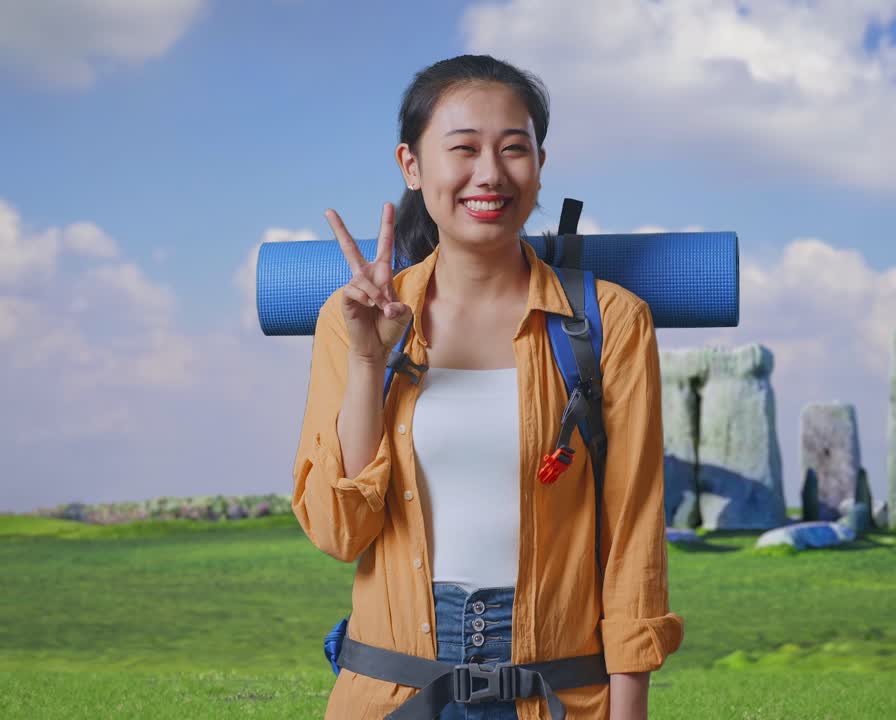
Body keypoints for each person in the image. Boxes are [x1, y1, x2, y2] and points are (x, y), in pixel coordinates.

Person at [291, 54, 683, 720]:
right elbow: (339, 534)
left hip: (560, 692)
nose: (490, 174)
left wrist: (630, 709)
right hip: (392, 694)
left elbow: (633, 536)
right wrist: (365, 363)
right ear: (411, 166)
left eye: (513, 149)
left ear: (539, 161)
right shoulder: (351, 318)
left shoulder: (610, 321)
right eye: (463, 149)